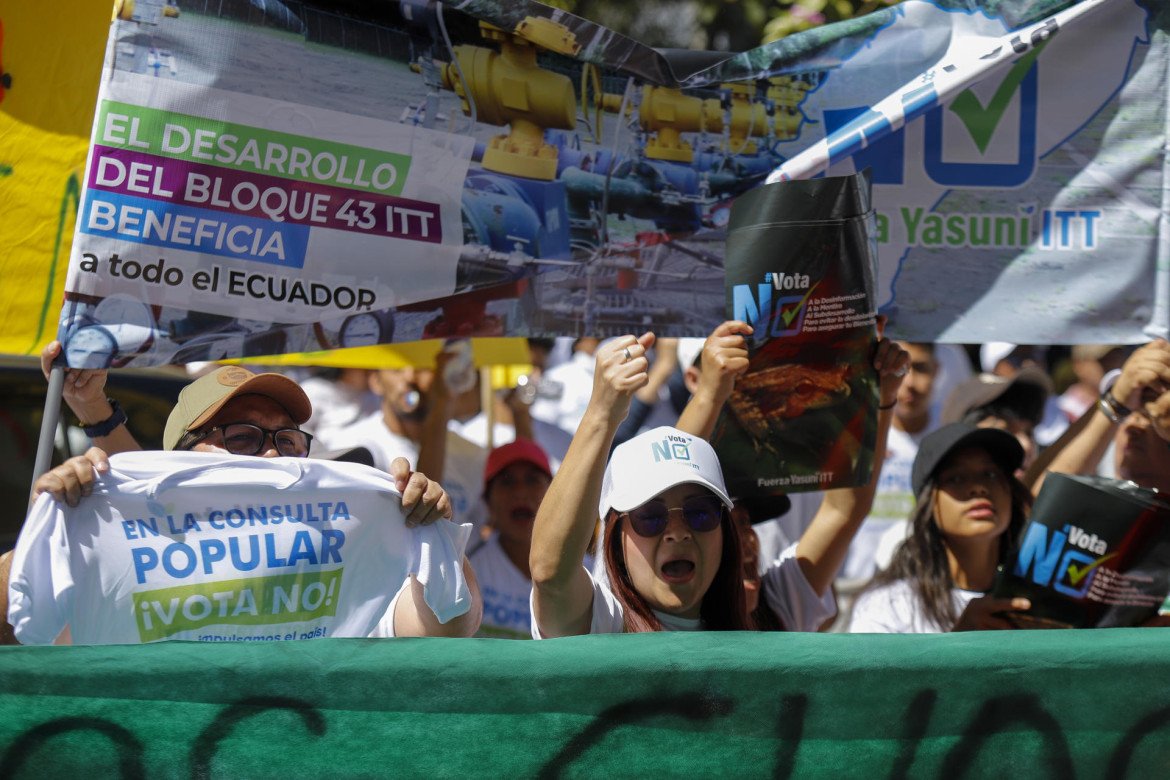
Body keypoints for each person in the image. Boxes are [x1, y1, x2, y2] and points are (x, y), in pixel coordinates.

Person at [25, 350, 482, 640]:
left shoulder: (341, 552)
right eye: (241, 438)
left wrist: (432, 533)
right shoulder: (111, 547)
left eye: (287, 440)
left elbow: (446, 625)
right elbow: (20, 630)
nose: (269, 453)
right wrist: (48, 529)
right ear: (179, 457)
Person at [529, 329, 909, 636]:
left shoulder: (769, 613)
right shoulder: (604, 623)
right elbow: (551, 573)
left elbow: (844, 511)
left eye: (701, 514)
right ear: (615, 538)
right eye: (650, 518)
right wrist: (600, 415)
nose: (678, 532)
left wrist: (877, 400)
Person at [849, 423, 1033, 633]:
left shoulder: (1036, 599)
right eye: (956, 478)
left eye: (990, 474)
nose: (978, 488)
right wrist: (960, 640)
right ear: (929, 504)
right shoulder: (886, 606)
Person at [1036, 339, 1170, 495]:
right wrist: (1115, 404)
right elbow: (1039, 502)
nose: (1130, 426)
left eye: (1150, 416)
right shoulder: (1090, 506)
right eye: (1124, 413)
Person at [470, 438, 556, 638]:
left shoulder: (586, 571)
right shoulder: (468, 571)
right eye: (507, 482)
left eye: (532, 480)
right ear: (488, 502)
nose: (520, 492)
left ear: (553, 493)